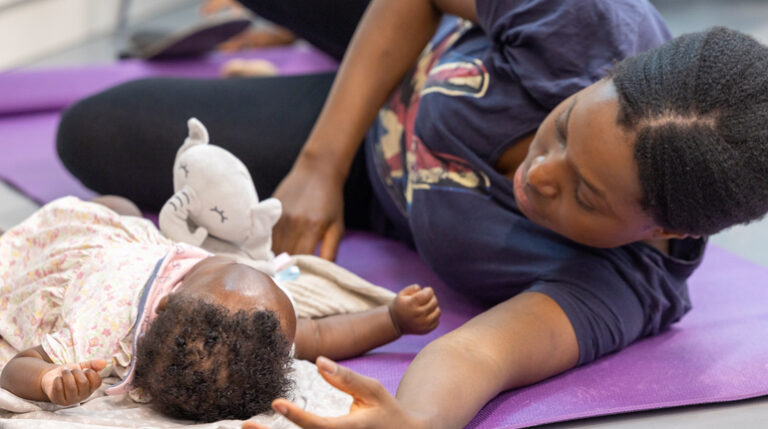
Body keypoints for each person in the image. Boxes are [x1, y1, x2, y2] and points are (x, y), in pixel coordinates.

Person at [54, 0, 768, 426]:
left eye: (584, 195)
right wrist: (317, 165)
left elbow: (477, 353)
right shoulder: (586, 24)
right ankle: (282, 39)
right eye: (564, 127)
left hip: (383, 174)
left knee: (94, 133)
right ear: (605, 77)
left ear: (667, 231)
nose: (540, 176)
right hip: (410, 52)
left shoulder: (623, 286)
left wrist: (415, 421)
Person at [0, 196, 440, 422]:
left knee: (25, 248)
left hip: (56, 258)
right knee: (122, 210)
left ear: (170, 299)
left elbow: (15, 369)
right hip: (113, 237)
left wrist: (49, 378)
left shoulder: (101, 325)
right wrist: (390, 320)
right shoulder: (245, 322)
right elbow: (323, 336)